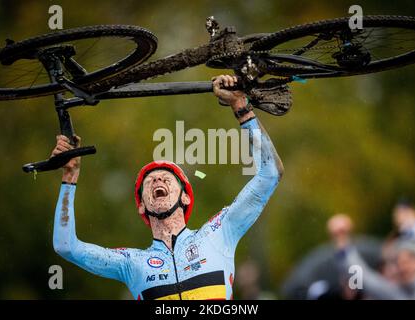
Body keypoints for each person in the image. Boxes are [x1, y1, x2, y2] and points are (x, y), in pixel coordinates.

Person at [52, 74, 284, 300]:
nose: (157, 180)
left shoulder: (219, 232)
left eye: (166, 178)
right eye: (150, 181)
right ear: (141, 206)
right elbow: (66, 246)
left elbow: (270, 174)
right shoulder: (131, 263)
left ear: (185, 198)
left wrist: (241, 107)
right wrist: (70, 177)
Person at [328, 213, 415, 300]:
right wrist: (342, 243)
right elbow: (365, 279)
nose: (404, 266)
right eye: (399, 261)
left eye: (410, 259)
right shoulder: (397, 293)